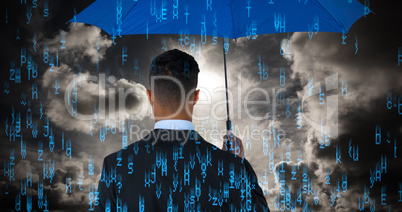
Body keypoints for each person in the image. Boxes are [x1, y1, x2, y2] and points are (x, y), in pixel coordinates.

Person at [95, 49, 270, 211]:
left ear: (149, 96)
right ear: (196, 97)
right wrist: (237, 165)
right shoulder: (230, 168)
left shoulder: (115, 166)